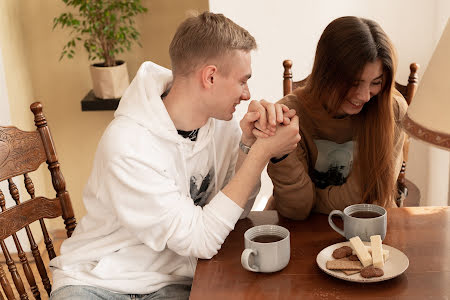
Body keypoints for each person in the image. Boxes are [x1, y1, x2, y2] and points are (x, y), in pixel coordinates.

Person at [49, 12, 300, 300]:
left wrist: (249, 145)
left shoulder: (220, 124)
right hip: (99, 281)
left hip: (174, 280)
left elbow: (230, 216)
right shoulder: (127, 144)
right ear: (210, 76)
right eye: (243, 81)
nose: (247, 94)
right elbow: (203, 239)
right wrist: (262, 153)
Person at [267, 16, 407, 220]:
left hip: (372, 230)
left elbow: (366, 202)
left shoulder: (392, 110)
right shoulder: (288, 116)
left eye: (376, 82)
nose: (364, 96)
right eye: (353, 83)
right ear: (326, 73)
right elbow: (296, 209)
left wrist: (315, 198)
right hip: (305, 230)